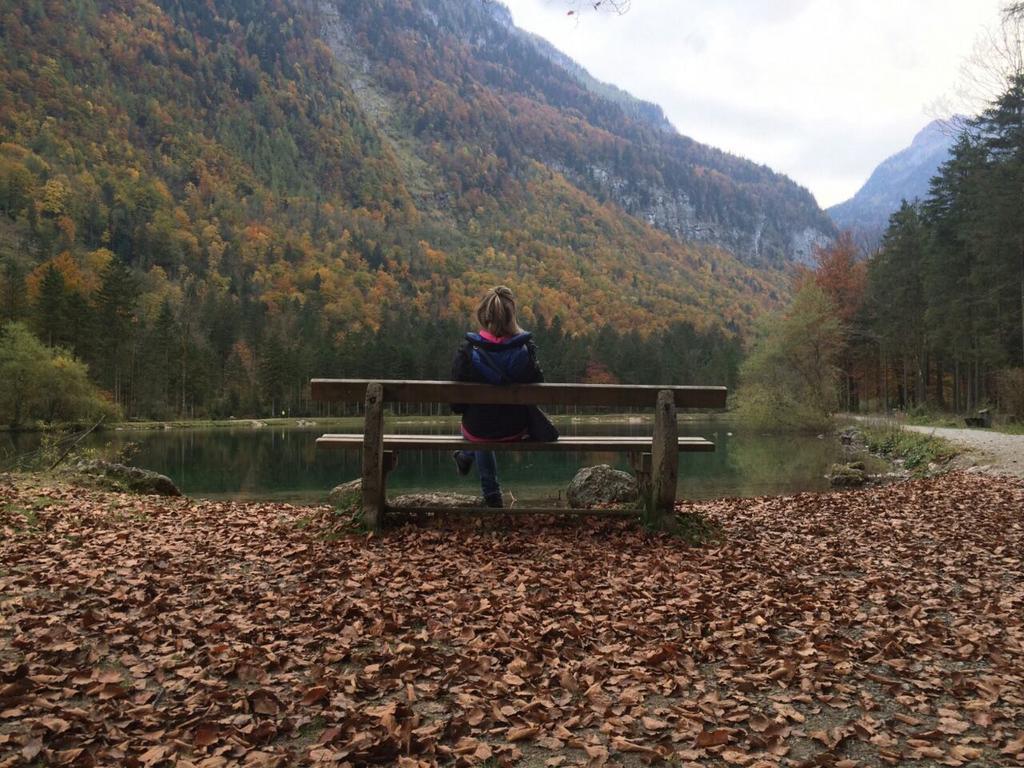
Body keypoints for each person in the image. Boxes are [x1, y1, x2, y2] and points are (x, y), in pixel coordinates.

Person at [451, 286, 545, 508]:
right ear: (512, 317)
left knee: (481, 431)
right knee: (486, 428)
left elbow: (456, 402)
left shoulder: (467, 351)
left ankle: (489, 491)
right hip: (515, 429)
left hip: (478, 429)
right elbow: (538, 386)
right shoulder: (525, 350)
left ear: (483, 316)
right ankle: (474, 469)